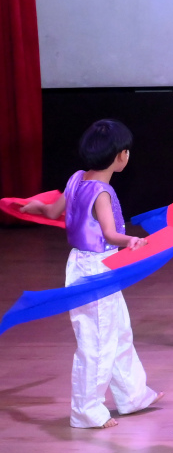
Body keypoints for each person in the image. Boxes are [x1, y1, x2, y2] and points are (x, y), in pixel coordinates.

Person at [19, 120, 161, 428]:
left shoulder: (76, 179)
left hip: (87, 264)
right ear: (121, 155)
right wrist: (132, 240)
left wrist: (36, 205)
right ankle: (86, 410)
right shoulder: (102, 192)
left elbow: (53, 211)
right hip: (97, 266)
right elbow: (109, 233)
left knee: (118, 330)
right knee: (97, 339)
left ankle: (132, 395)